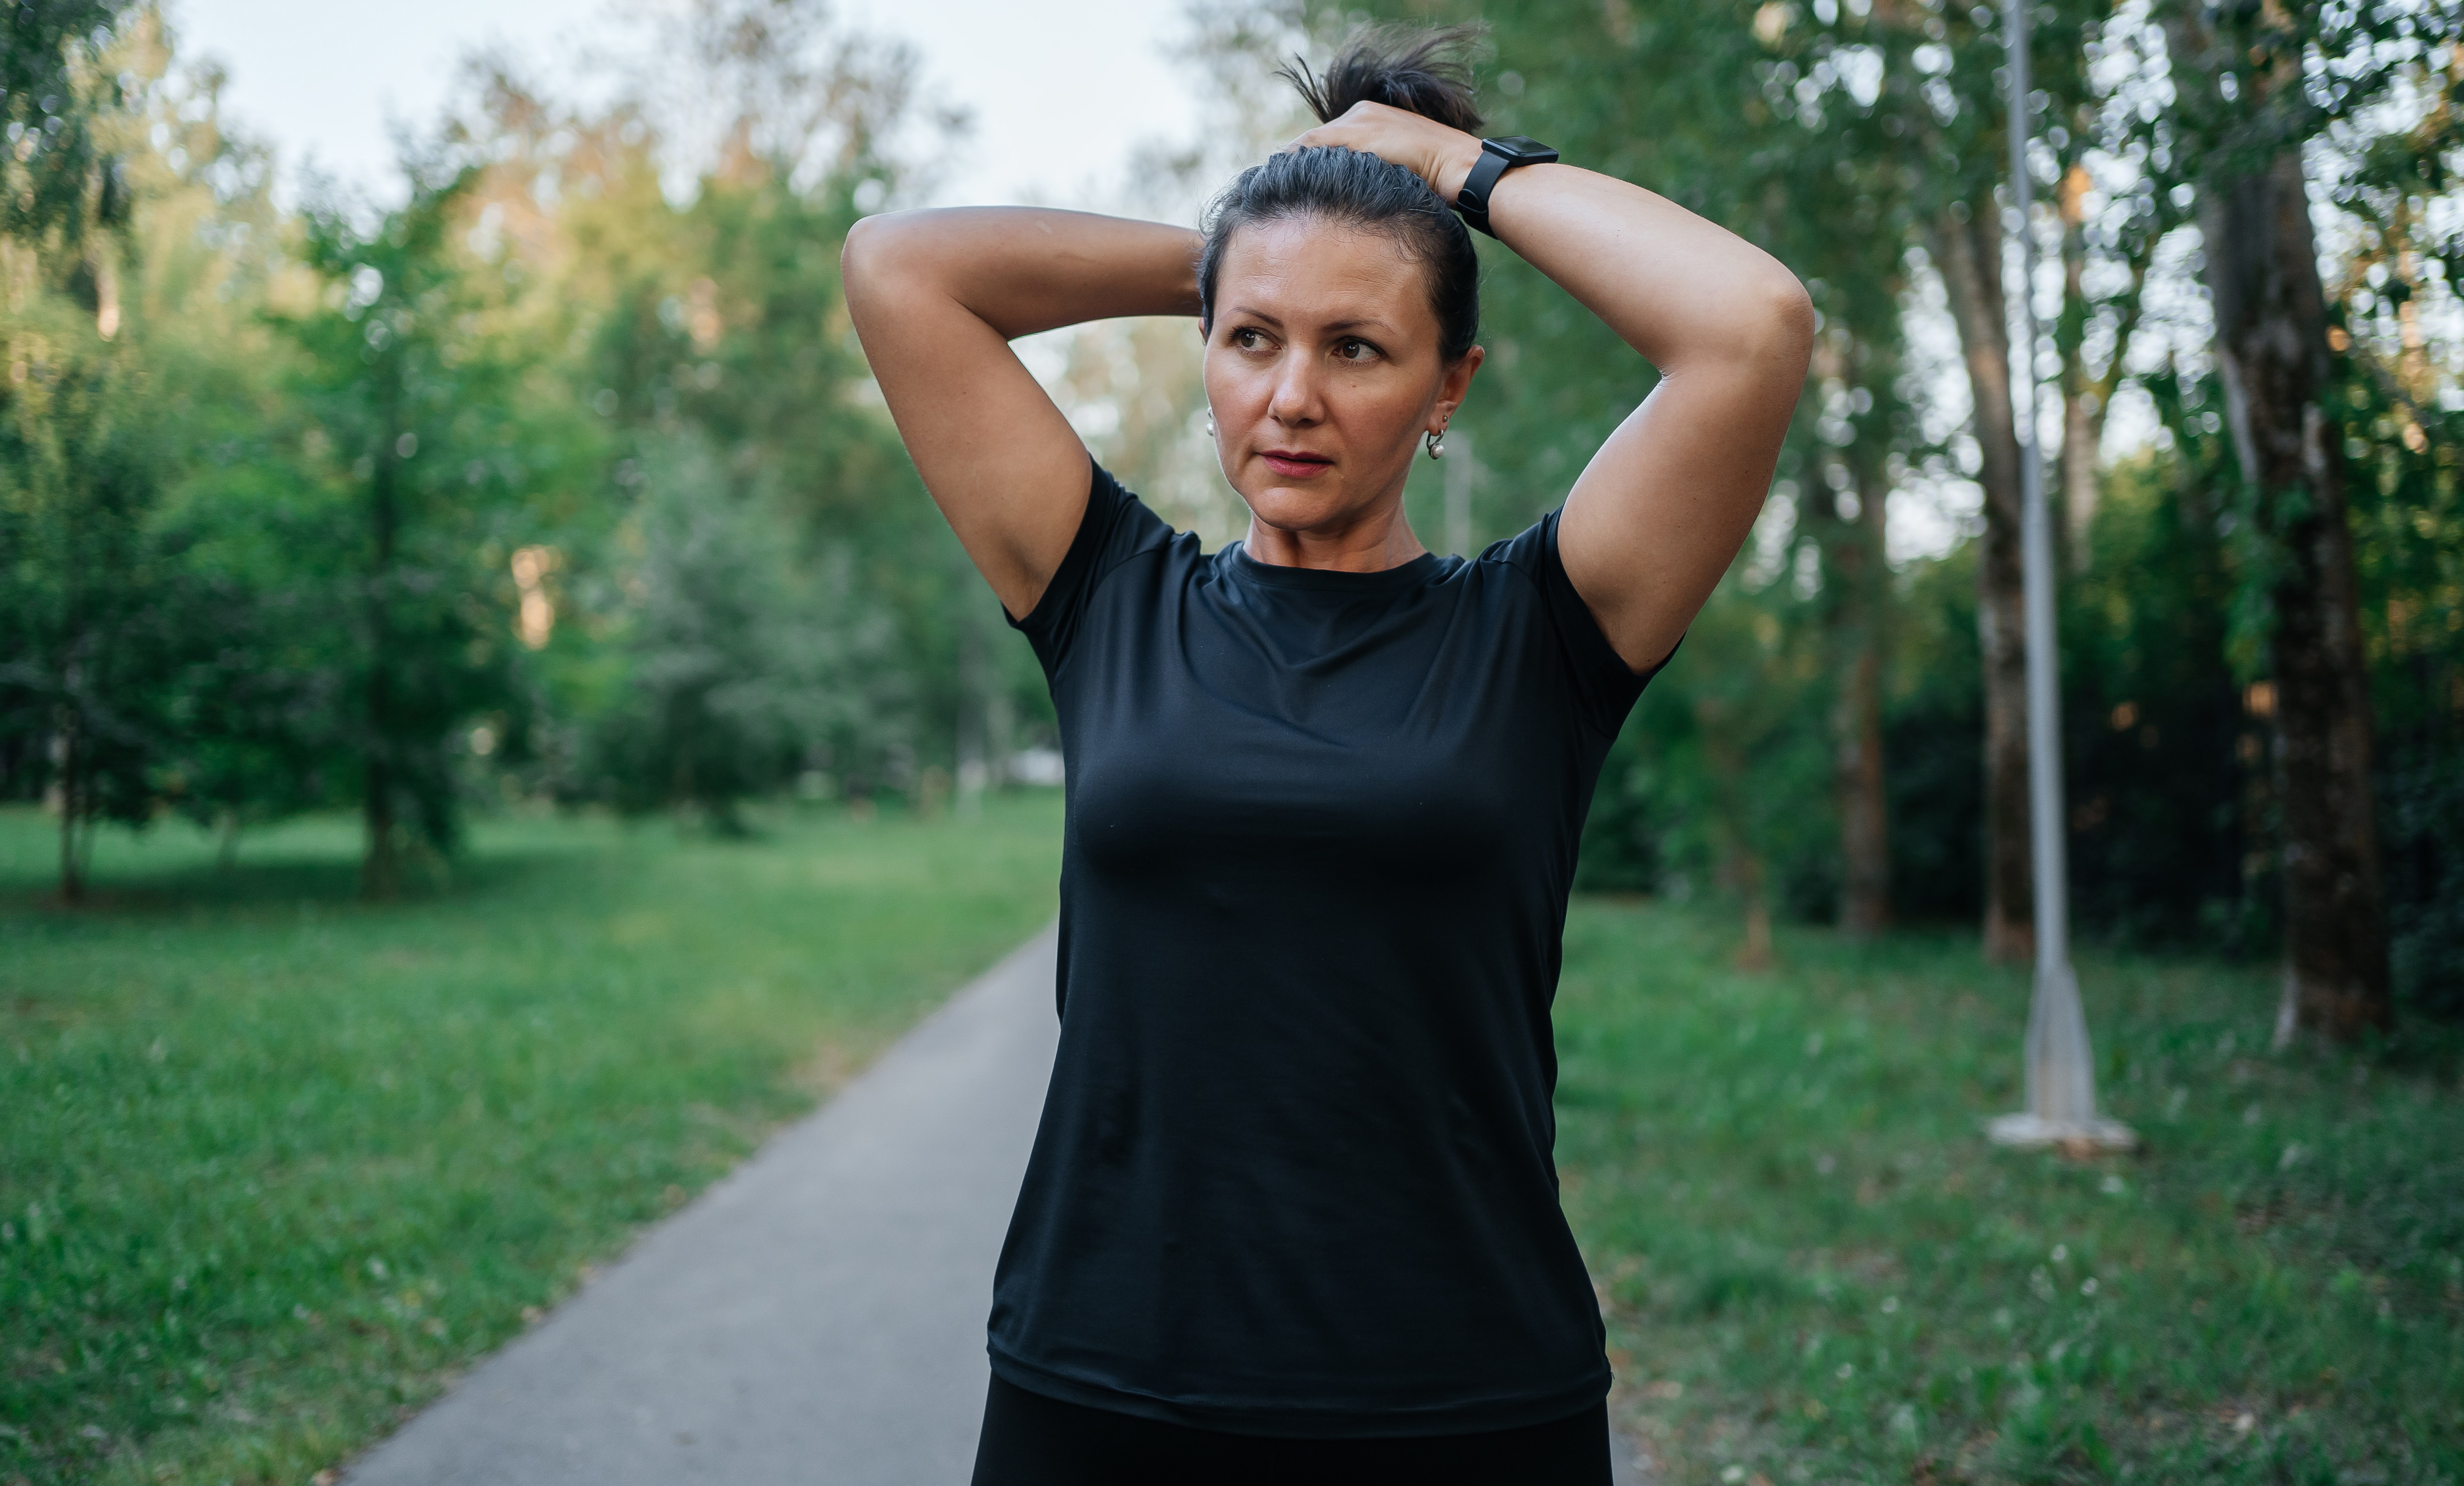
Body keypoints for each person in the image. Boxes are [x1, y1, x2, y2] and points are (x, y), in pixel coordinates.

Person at [842, 23, 1810, 1486]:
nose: (1291, 394)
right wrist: (1262, 245)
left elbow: (1752, 324)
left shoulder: (1543, 633)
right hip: (1105, 1381)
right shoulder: (1108, 595)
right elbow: (901, 266)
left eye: (1357, 346)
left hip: (1464, 1395)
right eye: (1253, 339)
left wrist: (1448, 173)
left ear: (1448, 389)